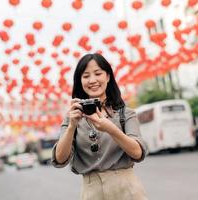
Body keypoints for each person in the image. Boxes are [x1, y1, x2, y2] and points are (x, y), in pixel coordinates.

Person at [51, 53, 148, 200]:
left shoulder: (125, 114)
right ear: (80, 81)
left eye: (98, 73)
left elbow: (138, 153)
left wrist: (111, 129)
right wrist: (72, 126)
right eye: (86, 76)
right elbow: (59, 159)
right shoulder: (72, 117)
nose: (92, 80)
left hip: (127, 190)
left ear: (108, 77)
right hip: (91, 193)